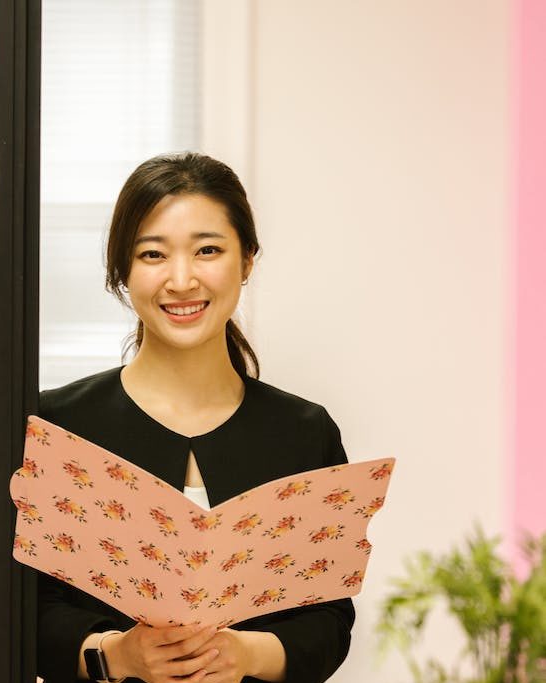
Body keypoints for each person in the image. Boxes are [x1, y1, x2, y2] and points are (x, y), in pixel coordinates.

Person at [36, 152, 355, 683]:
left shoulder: (304, 432)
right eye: (153, 254)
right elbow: (27, 609)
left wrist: (244, 655)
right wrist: (118, 656)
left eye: (208, 250)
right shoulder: (58, 425)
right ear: (123, 269)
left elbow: (328, 621)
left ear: (247, 261)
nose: (181, 280)